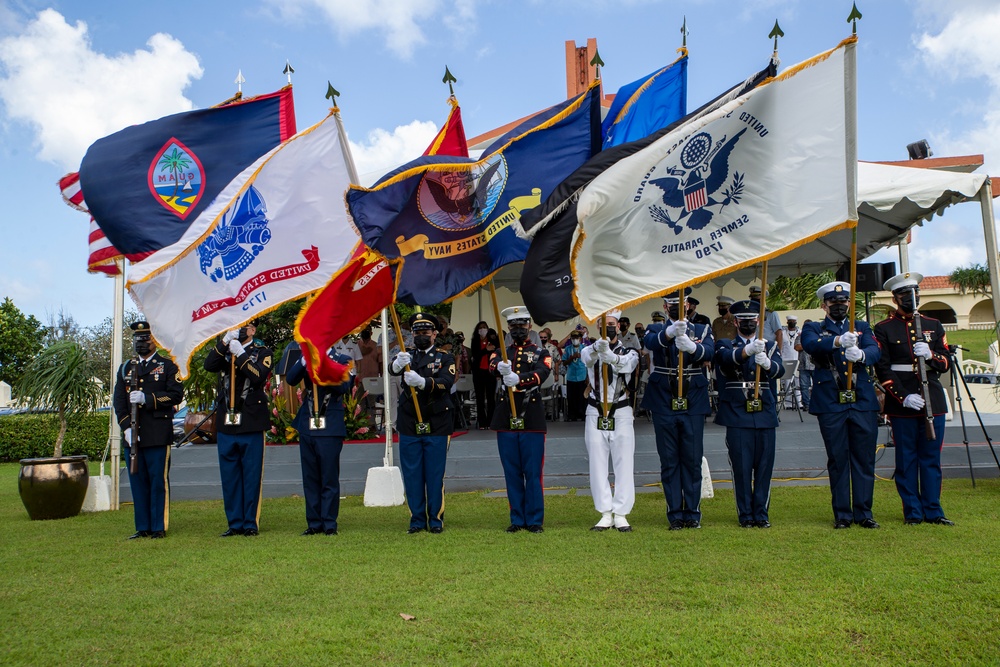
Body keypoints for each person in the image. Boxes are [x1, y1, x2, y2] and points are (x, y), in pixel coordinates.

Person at [873, 272, 954, 526]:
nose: (912, 298)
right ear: (895, 298)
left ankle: (934, 510)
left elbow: (945, 363)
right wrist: (903, 396)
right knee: (906, 459)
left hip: (932, 397)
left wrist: (930, 354)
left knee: (931, 458)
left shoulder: (934, 324)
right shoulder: (884, 328)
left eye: (915, 293)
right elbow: (883, 369)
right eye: (906, 294)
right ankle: (913, 511)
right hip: (903, 402)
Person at [802, 282, 883, 529]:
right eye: (834, 303)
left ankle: (864, 512)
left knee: (864, 458)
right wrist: (837, 341)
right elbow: (810, 344)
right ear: (824, 305)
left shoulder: (860, 327)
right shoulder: (814, 327)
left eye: (843, 302)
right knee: (838, 459)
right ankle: (843, 515)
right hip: (830, 401)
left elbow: (875, 351)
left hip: (861, 401)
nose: (839, 306)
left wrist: (861, 355)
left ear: (849, 304)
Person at [642, 288, 715, 530]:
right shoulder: (655, 328)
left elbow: (711, 351)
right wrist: (670, 332)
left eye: (679, 303)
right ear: (664, 307)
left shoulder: (702, 328)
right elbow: (651, 343)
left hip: (693, 396)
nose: (674, 307)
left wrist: (693, 349)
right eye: (670, 303)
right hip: (664, 397)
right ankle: (675, 513)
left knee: (692, 458)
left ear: (687, 305)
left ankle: (692, 512)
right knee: (669, 459)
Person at [714, 300, 785, 528]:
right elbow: (726, 360)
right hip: (737, 412)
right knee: (742, 467)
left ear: (758, 321)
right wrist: (747, 351)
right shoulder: (725, 343)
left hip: (763, 411)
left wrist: (766, 364)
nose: (747, 324)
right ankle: (745, 514)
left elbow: (779, 370)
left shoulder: (770, 346)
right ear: (735, 322)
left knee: (764, 467)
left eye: (752, 320)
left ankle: (761, 513)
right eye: (743, 320)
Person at [113, 321, 183, 539]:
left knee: (157, 481)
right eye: (137, 339)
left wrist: (149, 398)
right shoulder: (126, 368)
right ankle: (142, 526)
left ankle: (158, 526)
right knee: (138, 481)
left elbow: (175, 395)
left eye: (145, 339)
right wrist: (125, 427)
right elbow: (119, 401)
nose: (140, 343)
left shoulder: (168, 366)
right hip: (133, 435)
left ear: (155, 341)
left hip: (156, 433)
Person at [388, 312, 457, 533]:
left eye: (425, 332)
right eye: (416, 332)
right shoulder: (407, 356)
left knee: (435, 474)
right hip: (409, 422)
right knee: (412, 474)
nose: (420, 335)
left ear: (434, 334)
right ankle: (416, 519)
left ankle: (435, 519)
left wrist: (423, 382)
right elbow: (391, 370)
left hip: (437, 421)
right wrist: (397, 365)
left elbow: (446, 382)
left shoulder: (444, 357)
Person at [204, 320, 273, 537]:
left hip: (251, 420)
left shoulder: (262, 351)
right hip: (227, 421)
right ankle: (234, 523)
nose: (240, 329)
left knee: (251, 475)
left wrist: (241, 353)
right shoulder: (224, 349)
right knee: (230, 475)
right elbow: (209, 365)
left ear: (252, 330)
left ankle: (250, 522)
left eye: (245, 325)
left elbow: (258, 375)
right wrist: (225, 342)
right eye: (236, 325)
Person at [490, 306, 552, 533]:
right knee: (512, 471)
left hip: (531, 416)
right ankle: (517, 518)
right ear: (508, 328)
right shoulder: (501, 352)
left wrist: (519, 378)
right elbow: (492, 365)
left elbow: (542, 373)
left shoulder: (540, 352)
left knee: (533, 472)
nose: (518, 329)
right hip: (506, 416)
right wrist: (500, 367)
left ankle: (534, 520)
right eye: (513, 326)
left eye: (522, 325)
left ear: (530, 326)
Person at [581, 310, 640, 532]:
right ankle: (605, 512)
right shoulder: (589, 348)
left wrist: (613, 357)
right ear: (598, 326)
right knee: (597, 462)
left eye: (613, 323)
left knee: (624, 462)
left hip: (621, 410)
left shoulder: (629, 350)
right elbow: (586, 359)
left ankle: (621, 513)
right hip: (596, 410)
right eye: (605, 323)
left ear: (619, 325)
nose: (610, 327)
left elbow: (628, 364)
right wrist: (598, 348)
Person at [286, 349, 354, 535]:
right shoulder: (307, 356)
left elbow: (343, 387)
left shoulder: (343, 359)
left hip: (330, 425)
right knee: (310, 478)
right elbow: (291, 379)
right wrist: (303, 362)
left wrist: (324, 366)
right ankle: (314, 523)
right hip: (308, 423)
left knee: (329, 477)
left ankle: (329, 522)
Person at [471, 321, 501, 429]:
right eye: (480, 328)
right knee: (479, 398)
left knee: (490, 397)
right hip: (478, 372)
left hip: (490, 372)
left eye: (484, 327)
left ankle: (491, 421)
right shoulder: (475, 341)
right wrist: (485, 350)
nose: (482, 329)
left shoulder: (492, 340)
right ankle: (482, 422)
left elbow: (496, 351)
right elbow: (475, 355)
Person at [562, 330, 588, 421]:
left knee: (582, 396)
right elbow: (564, 363)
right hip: (571, 376)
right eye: (573, 338)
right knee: (571, 397)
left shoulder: (585, 349)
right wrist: (572, 358)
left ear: (580, 339)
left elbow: (589, 364)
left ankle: (582, 414)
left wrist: (588, 377)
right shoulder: (568, 349)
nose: (575, 340)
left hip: (582, 375)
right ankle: (572, 415)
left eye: (577, 338)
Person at [780, 315, 802, 408]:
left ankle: (799, 402)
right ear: (787, 322)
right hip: (785, 359)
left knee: (797, 381)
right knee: (787, 381)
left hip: (797, 359)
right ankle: (788, 403)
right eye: (790, 321)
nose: (792, 323)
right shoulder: (783, 332)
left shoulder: (800, 332)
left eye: (794, 321)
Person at [795, 319, 815, 410]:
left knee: (817, 385)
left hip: (815, 365)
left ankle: (816, 403)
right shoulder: (800, 336)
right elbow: (797, 347)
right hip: (803, 365)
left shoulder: (816, 335)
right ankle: (806, 404)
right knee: (804, 386)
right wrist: (809, 344)